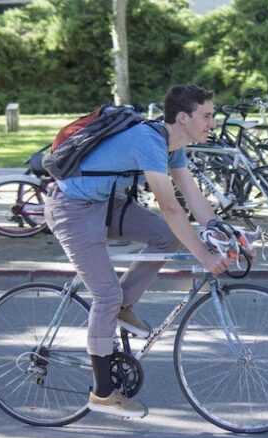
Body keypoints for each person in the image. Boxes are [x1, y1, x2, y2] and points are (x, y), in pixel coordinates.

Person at [43, 84, 231, 418]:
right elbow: (171, 207)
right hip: (71, 210)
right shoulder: (149, 140)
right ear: (184, 117)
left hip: (103, 204)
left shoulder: (174, 146)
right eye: (207, 115)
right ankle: (102, 392)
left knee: (164, 237)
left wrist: (224, 232)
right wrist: (204, 256)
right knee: (105, 295)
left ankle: (122, 305)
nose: (212, 123)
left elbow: (193, 197)